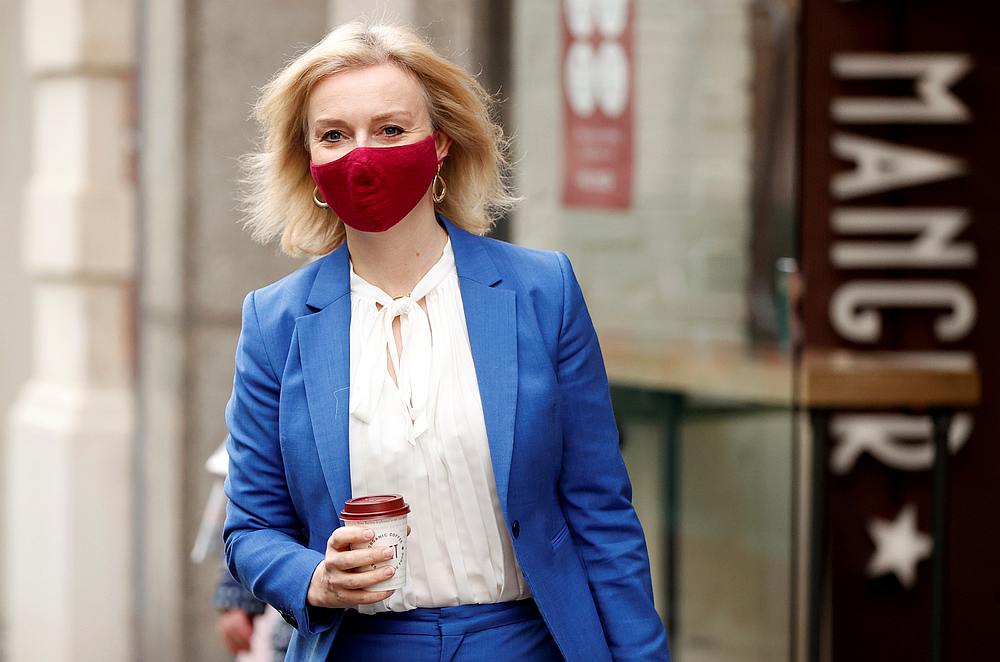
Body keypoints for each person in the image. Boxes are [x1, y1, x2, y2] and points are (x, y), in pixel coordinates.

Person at [222, 20, 670, 662]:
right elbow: (251, 528)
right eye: (333, 135)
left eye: (391, 129)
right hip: (361, 647)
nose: (362, 154)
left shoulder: (543, 292)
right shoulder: (275, 321)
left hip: (524, 644)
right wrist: (315, 579)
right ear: (310, 164)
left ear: (440, 145)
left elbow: (601, 514)